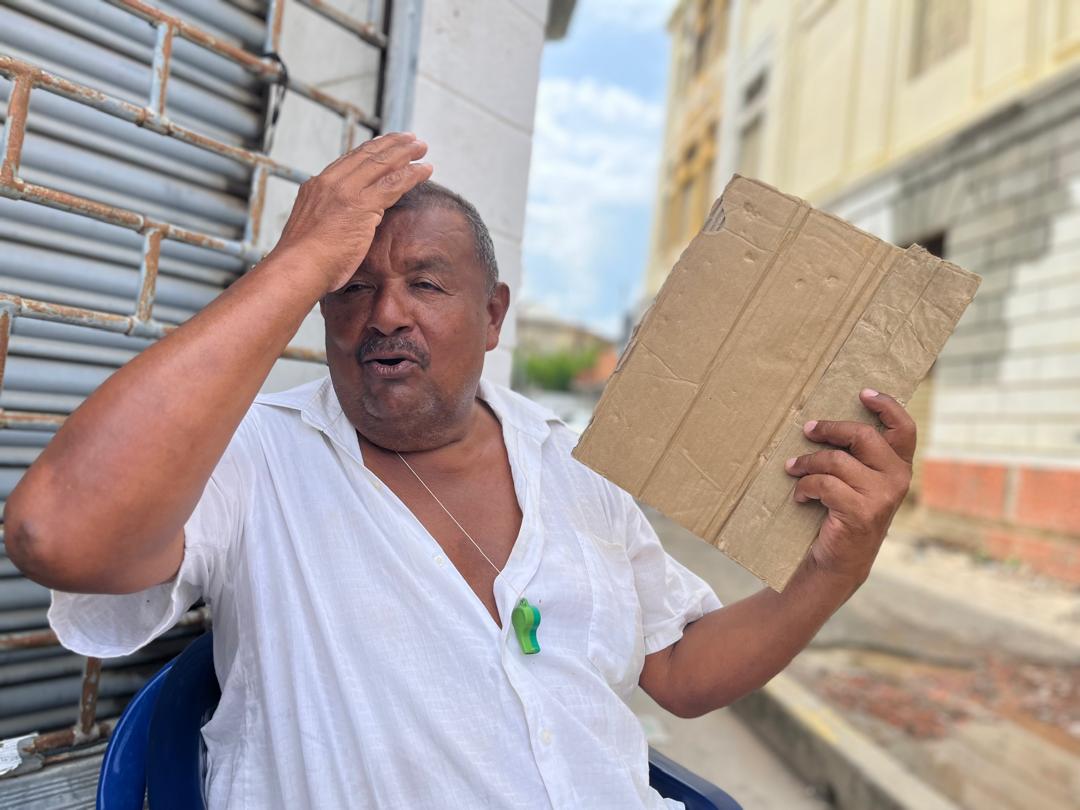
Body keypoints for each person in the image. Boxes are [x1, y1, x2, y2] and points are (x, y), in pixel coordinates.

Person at [6, 133, 915, 809]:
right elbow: (57, 532)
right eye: (351, 289)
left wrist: (831, 571)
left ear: (493, 315)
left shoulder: (575, 464)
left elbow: (676, 668)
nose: (385, 314)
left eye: (427, 283)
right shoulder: (256, 456)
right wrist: (297, 262)